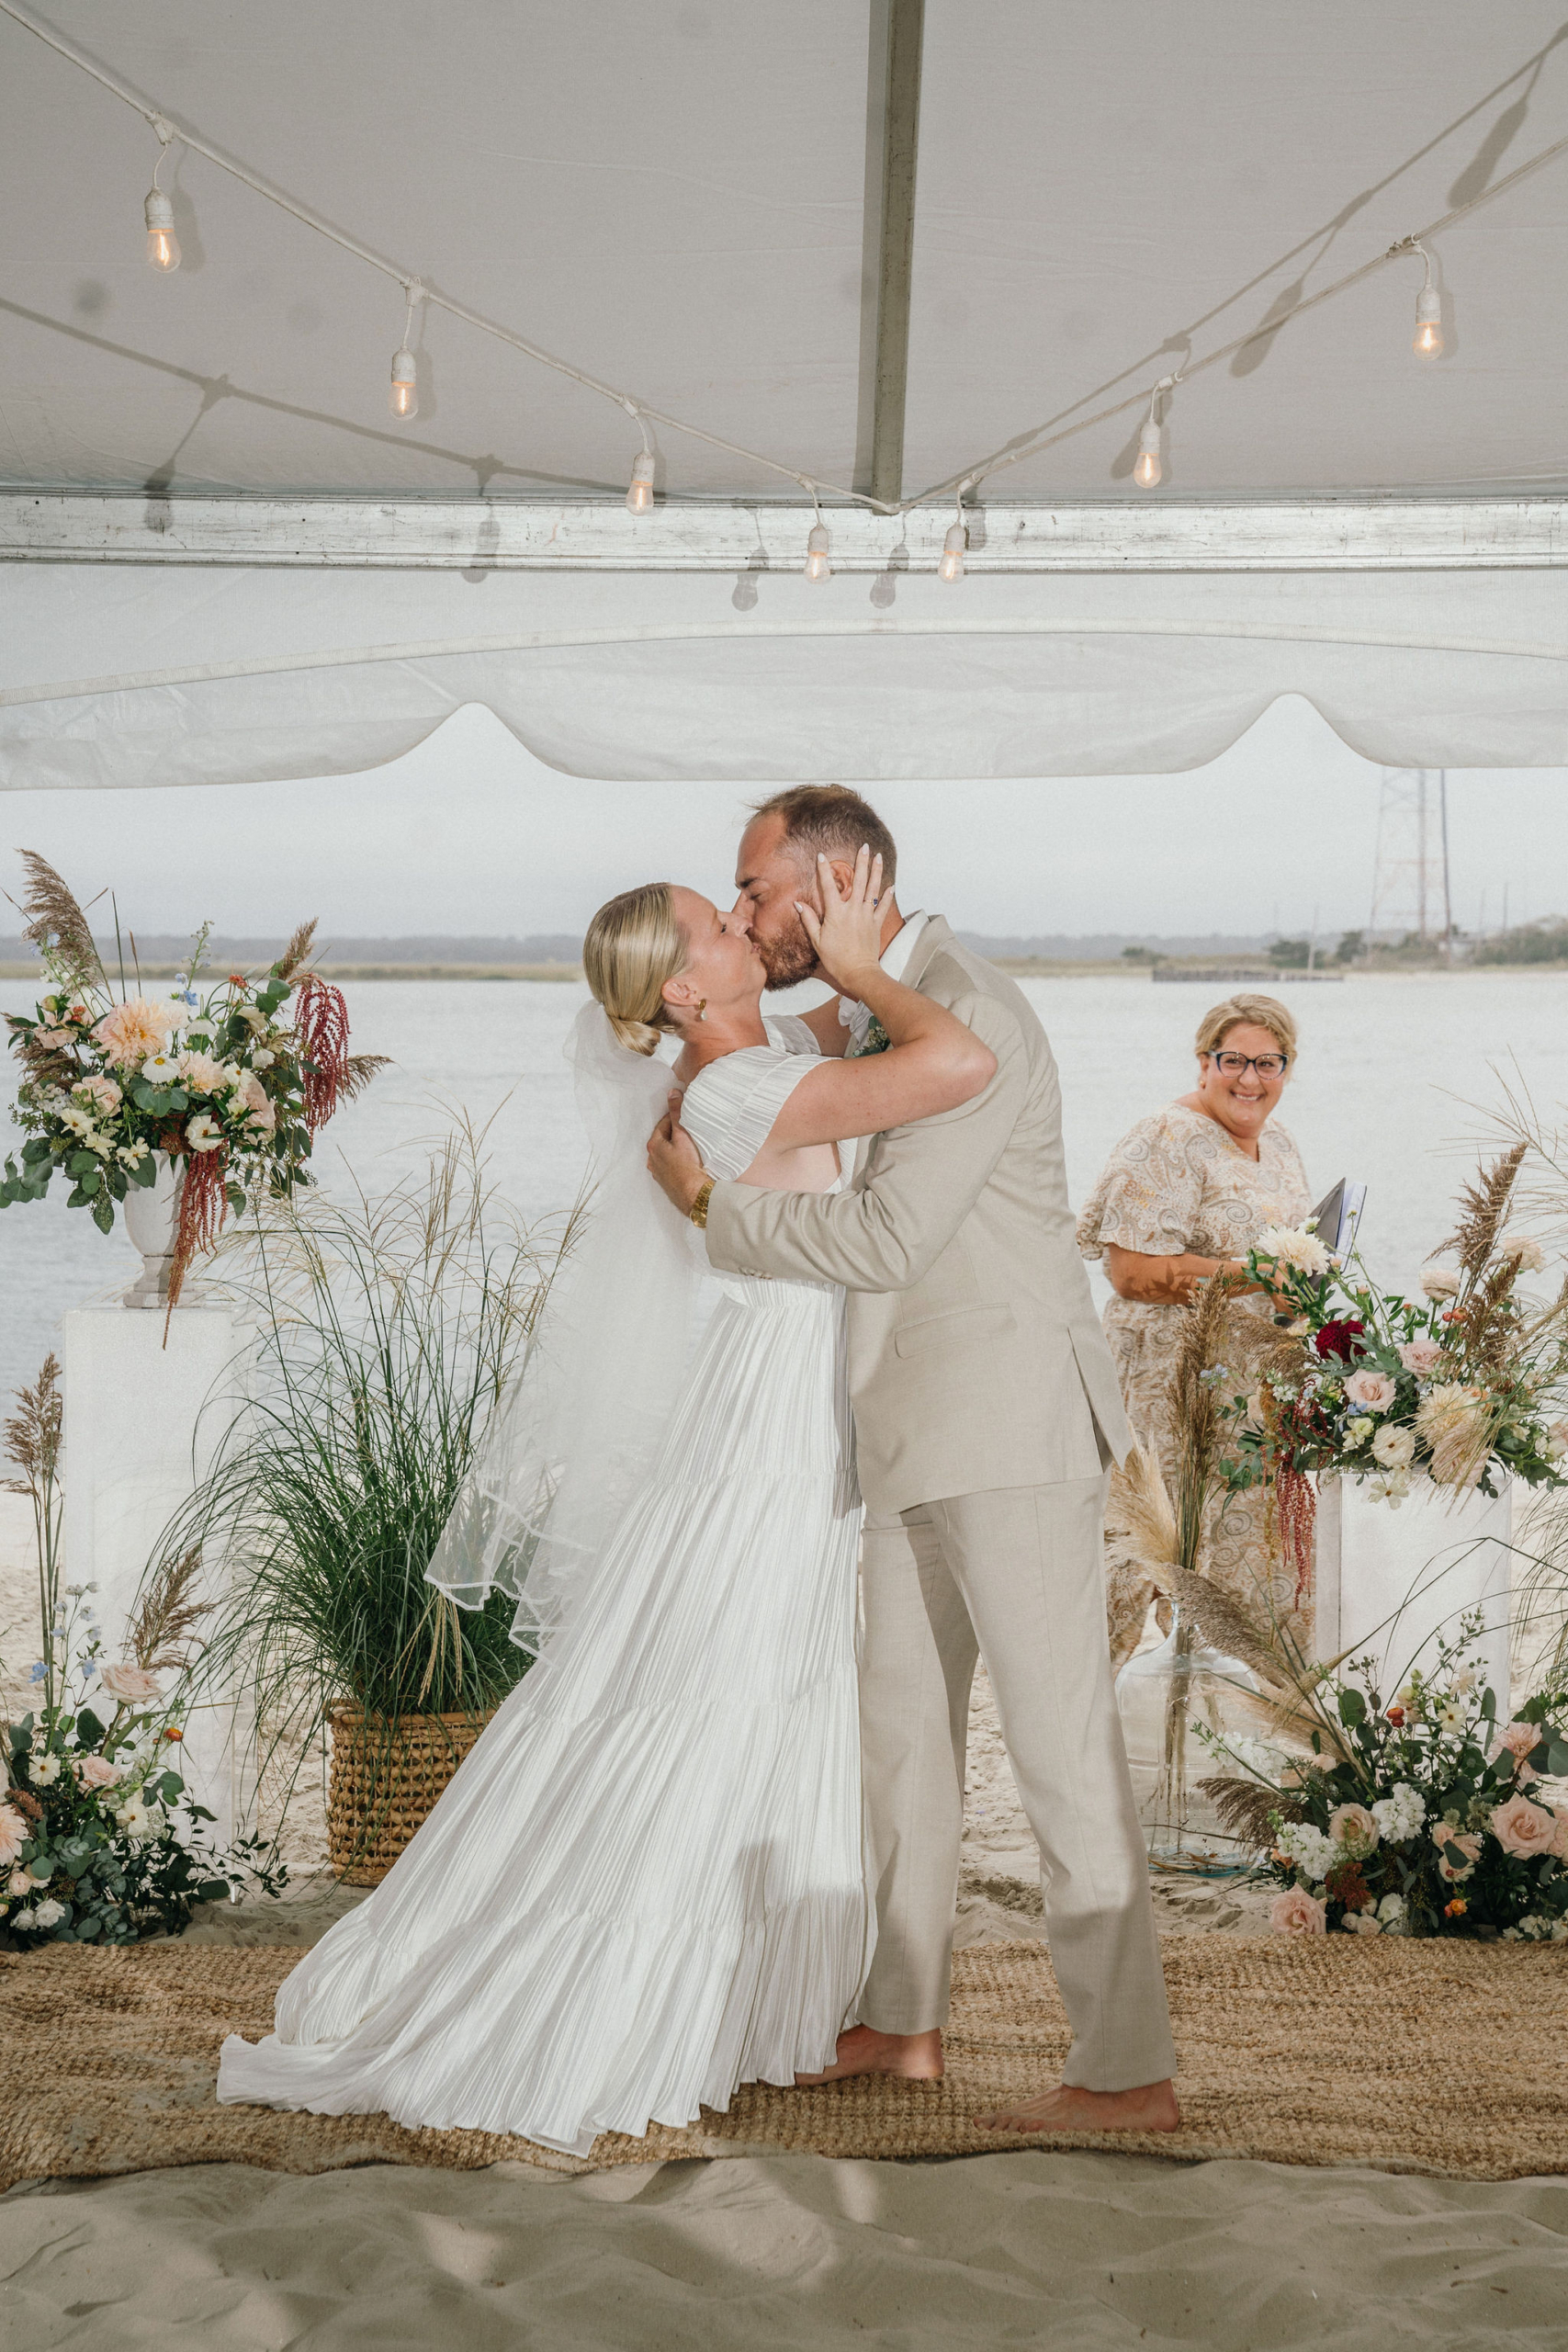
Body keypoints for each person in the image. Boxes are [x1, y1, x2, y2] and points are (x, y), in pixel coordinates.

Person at [217, 854, 995, 2158]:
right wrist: (862, 967)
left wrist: (844, 964)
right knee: (725, 1681)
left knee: (739, 1684)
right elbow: (955, 1067)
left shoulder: (732, 1069)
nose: (746, 920)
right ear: (686, 987)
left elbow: (832, 1035)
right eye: (721, 918)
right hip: (770, 1428)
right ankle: (616, 1999)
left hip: (778, 1407)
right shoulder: (745, 1088)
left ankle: (745, 1995)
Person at [648, 785, 1179, 2137]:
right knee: (897, 1746)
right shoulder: (864, 1006)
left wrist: (716, 1212)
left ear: (838, 881)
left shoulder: (970, 1007)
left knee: (1059, 1754)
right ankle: (901, 2020)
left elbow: (884, 1246)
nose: (749, 911)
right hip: (894, 1432)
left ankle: (1124, 2073)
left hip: (1005, 1427)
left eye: (757, 887)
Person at [1076, 993, 1312, 1668]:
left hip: (1246, 1408)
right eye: (1232, 1060)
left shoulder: (1282, 1143)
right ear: (1203, 1062)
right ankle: (1082, 1749)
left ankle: (1216, 1743)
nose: (1249, 1079)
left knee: (1235, 1593)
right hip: (1161, 1400)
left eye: (1268, 1063)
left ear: (1287, 1069)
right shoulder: (1166, 1137)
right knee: (1125, 1577)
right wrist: (1249, 1275)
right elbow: (1129, 1272)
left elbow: (1286, 1261)